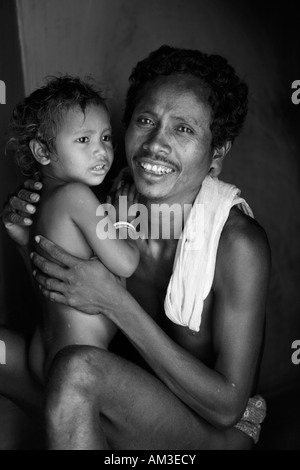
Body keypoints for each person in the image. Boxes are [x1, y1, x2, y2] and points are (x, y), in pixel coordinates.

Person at [2, 45, 271, 450]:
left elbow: (227, 406)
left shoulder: (237, 244)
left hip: (213, 434)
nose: (155, 144)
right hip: (119, 402)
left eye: (184, 129)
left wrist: (115, 303)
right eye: (146, 120)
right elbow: (70, 301)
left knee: (77, 371)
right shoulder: (112, 203)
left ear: (217, 151)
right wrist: (32, 243)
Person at [2, 75, 139, 385]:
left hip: (45, 348)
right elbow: (126, 263)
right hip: (78, 355)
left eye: (105, 137)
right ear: (42, 152)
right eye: (83, 140)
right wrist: (126, 220)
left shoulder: (40, 200)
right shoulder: (76, 196)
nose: (101, 150)